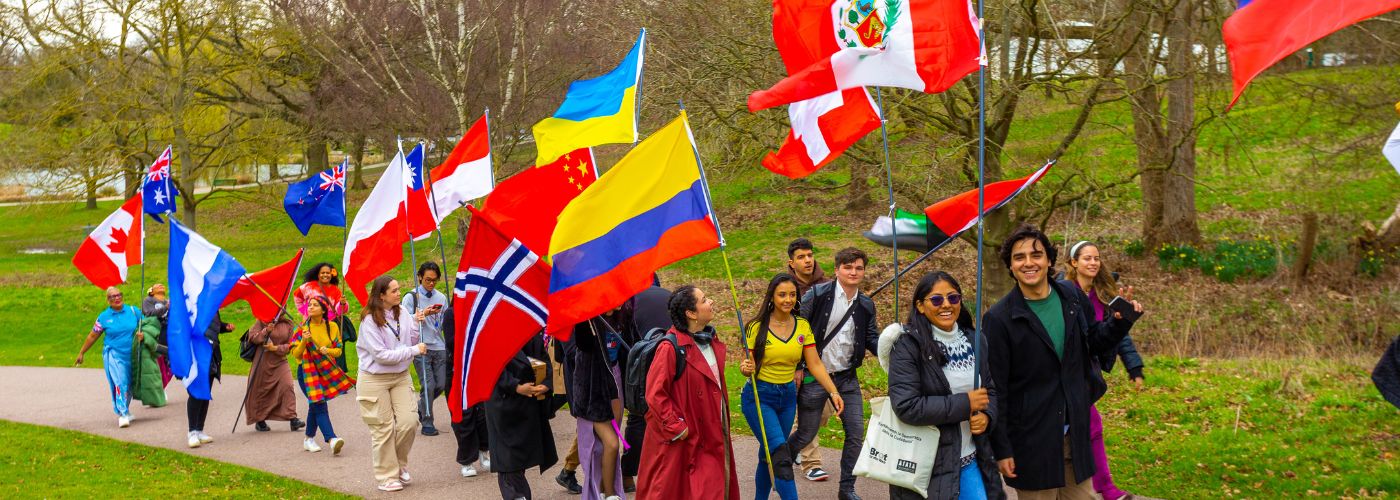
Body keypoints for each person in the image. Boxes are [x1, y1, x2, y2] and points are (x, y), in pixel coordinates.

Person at [984, 225, 1142, 499]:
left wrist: (1118, 324)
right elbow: (996, 388)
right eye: (1019, 257)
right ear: (1010, 265)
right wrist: (1002, 448)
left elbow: (1092, 341)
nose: (1029, 262)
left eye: (1036, 254)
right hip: (1031, 441)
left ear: (1048, 259)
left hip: (1075, 435)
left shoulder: (1071, 295)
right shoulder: (999, 318)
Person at [885, 271, 1005, 499]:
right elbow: (906, 406)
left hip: (970, 458)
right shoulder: (907, 345)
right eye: (937, 300)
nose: (946, 305)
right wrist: (965, 404)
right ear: (920, 306)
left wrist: (987, 415)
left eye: (953, 298)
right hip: (927, 465)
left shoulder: (975, 339)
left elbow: (989, 389)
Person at [739, 274, 845, 500]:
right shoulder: (757, 327)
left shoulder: (802, 326)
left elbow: (815, 364)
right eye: (782, 295)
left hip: (787, 397)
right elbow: (748, 365)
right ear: (772, 297)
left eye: (792, 294)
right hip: (760, 397)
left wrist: (833, 391)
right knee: (781, 455)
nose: (787, 299)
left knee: (767, 455)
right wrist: (746, 368)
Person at [637, 285, 741, 500]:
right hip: (686, 438)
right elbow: (655, 393)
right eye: (704, 300)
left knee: (713, 487)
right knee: (679, 490)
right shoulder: (669, 348)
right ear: (691, 313)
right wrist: (677, 426)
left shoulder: (710, 340)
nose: (710, 302)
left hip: (712, 433)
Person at [791, 247, 880, 500]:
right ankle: (778, 462)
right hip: (816, 377)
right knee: (807, 433)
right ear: (837, 269)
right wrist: (798, 366)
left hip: (847, 378)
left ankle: (847, 489)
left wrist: (892, 347)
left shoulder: (865, 304)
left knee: (855, 434)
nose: (853, 272)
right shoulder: (817, 295)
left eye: (859, 268)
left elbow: (872, 337)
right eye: (848, 267)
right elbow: (798, 330)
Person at [1063, 241, 1146, 500]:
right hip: (1066, 370)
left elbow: (1117, 335)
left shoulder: (1105, 295)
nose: (1093, 263)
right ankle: (1104, 488)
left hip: (1089, 371)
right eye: (1087, 258)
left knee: (1088, 425)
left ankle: (1098, 486)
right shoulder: (1062, 292)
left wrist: (1134, 367)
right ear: (1073, 263)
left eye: (1096, 258)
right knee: (1090, 424)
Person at [357, 275, 432, 492]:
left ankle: (399, 464)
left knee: (409, 422)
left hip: (400, 376)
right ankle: (386, 476)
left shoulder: (404, 313)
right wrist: (413, 351)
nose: (399, 293)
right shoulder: (369, 320)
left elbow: (410, 339)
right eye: (394, 291)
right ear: (381, 295)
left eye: (399, 289)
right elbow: (381, 355)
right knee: (383, 428)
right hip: (374, 378)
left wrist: (418, 324)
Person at [485, 331, 559, 500]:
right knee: (508, 464)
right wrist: (516, 386)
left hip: (528, 403)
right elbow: (491, 365)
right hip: (504, 404)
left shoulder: (530, 330)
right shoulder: (492, 331)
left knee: (518, 461)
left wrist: (546, 383)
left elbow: (544, 359)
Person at [785, 239, 833, 482]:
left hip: (826, 360)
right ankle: (811, 462)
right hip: (796, 361)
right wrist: (796, 365)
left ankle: (795, 444)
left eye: (810, 255)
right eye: (802, 256)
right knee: (809, 409)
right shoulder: (785, 290)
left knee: (823, 414)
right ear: (791, 263)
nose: (807, 260)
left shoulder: (828, 286)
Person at [571, 307, 631, 500]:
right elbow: (583, 346)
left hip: (616, 381)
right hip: (592, 391)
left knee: (611, 442)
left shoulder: (624, 316)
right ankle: (608, 494)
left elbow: (630, 345)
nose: (619, 302)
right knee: (610, 444)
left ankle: (607, 489)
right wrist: (584, 318)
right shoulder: (587, 322)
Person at [622, 283, 671, 492]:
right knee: (669, 416)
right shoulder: (669, 296)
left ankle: (627, 474)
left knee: (637, 419)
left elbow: (626, 343)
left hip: (643, 363)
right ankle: (665, 472)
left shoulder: (629, 302)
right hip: (671, 358)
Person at [291, 296, 353, 455]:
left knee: (315, 403)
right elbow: (296, 354)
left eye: (315, 305)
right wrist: (304, 340)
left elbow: (338, 350)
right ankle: (331, 439)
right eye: (309, 305)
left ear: (324, 309)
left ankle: (308, 439)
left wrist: (328, 351)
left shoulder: (332, 326)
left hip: (325, 370)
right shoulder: (301, 329)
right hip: (306, 372)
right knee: (319, 403)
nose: (310, 307)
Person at [75, 286, 143, 428]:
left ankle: (125, 409)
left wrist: (143, 335)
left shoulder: (133, 311)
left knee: (130, 384)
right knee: (120, 382)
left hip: (131, 355)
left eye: (119, 295)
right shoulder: (104, 317)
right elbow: (93, 335)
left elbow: (147, 326)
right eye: (112, 296)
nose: (117, 298)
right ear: (108, 300)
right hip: (113, 354)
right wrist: (82, 352)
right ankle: (123, 414)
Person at [442, 302, 491, 477]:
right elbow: (451, 343)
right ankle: (467, 460)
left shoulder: (480, 310)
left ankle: (484, 450)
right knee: (463, 417)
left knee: (483, 414)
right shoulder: (450, 314)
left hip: (478, 369)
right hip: (457, 373)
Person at [403, 262, 449, 436]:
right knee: (428, 385)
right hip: (420, 346)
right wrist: (422, 314)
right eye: (428, 280)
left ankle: (421, 407)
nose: (431, 284)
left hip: (439, 346)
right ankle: (428, 422)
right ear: (420, 276)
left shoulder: (441, 298)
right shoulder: (411, 297)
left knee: (441, 384)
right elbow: (404, 322)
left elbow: (445, 323)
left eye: (435, 281)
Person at [245, 315, 305, 432]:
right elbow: (252, 337)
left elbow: (291, 345)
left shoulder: (288, 324)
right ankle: (259, 419)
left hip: (280, 361)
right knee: (260, 390)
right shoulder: (262, 321)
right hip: (262, 362)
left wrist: (276, 348)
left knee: (287, 386)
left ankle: (293, 419)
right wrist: (266, 330)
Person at [186, 312, 234, 448]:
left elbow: (214, 326)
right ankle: (192, 432)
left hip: (212, 353)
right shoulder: (191, 303)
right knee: (196, 394)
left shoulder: (212, 305)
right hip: (196, 354)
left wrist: (225, 327)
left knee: (205, 394)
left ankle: (200, 430)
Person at [140, 284, 173, 387]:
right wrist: (165, 308)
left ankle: (170, 363)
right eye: (158, 286)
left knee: (169, 361)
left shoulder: (166, 301)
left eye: (162, 286)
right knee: (160, 359)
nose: (161, 287)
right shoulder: (148, 300)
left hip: (168, 330)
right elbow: (148, 313)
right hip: (155, 330)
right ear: (152, 291)